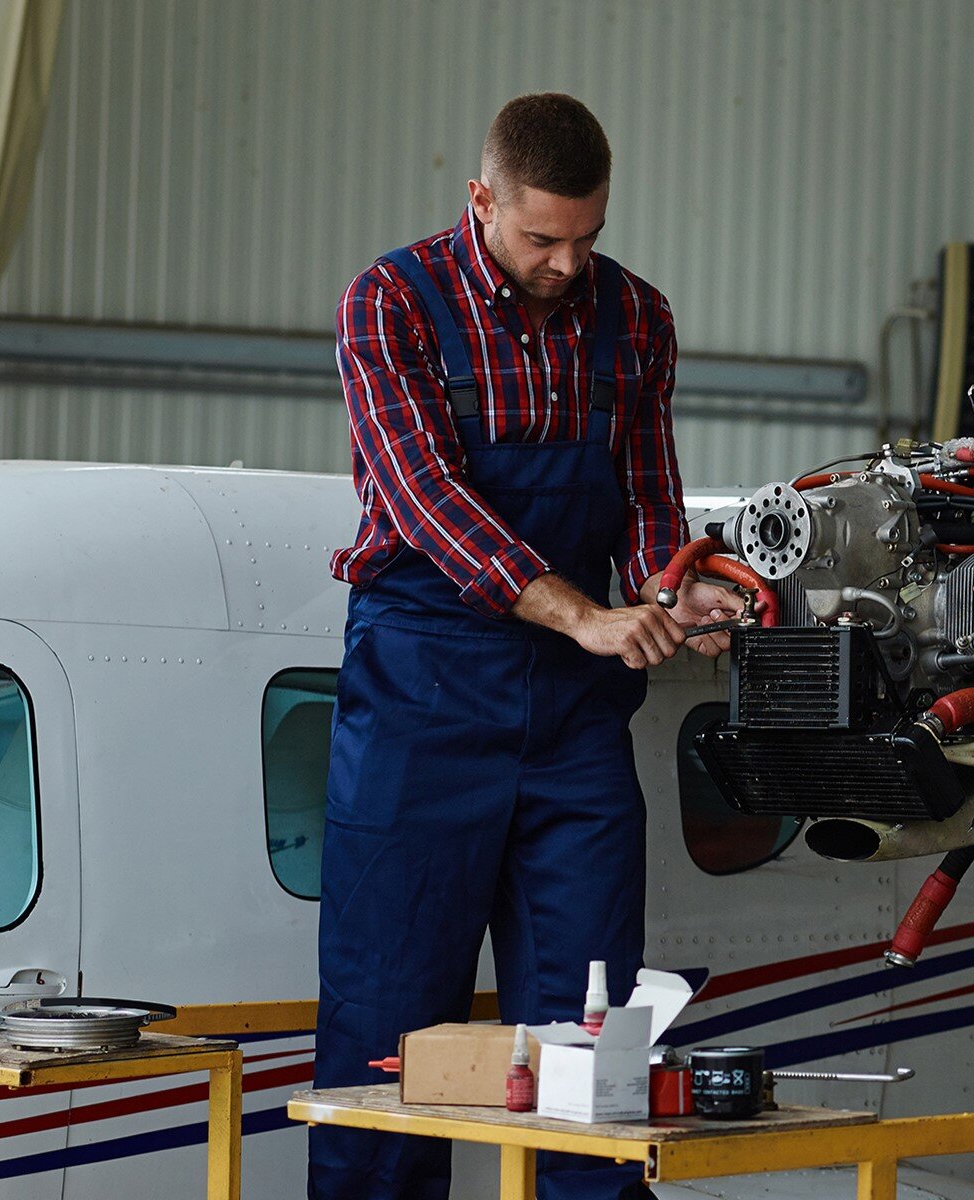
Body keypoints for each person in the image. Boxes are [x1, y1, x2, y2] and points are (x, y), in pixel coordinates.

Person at [311, 92, 737, 1200]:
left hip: (571, 727)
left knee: (593, 1055)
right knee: (385, 1039)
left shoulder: (635, 317)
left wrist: (667, 592)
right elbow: (422, 499)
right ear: (480, 200)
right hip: (421, 702)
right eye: (541, 237)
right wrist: (585, 614)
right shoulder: (390, 301)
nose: (565, 262)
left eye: (586, 237)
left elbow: (648, 494)